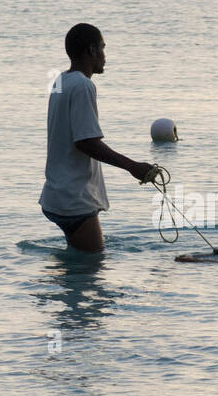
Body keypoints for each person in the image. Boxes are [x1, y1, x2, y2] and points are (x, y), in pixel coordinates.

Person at [39, 24, 154, 252]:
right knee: (92, 269)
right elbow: (85, 142)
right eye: (102, 48)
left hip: (57, 194)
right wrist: (133, 167)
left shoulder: (61, 81)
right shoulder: (83, 85)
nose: (104, 55)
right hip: (75, 199)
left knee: (75, 272)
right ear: (91, 50)